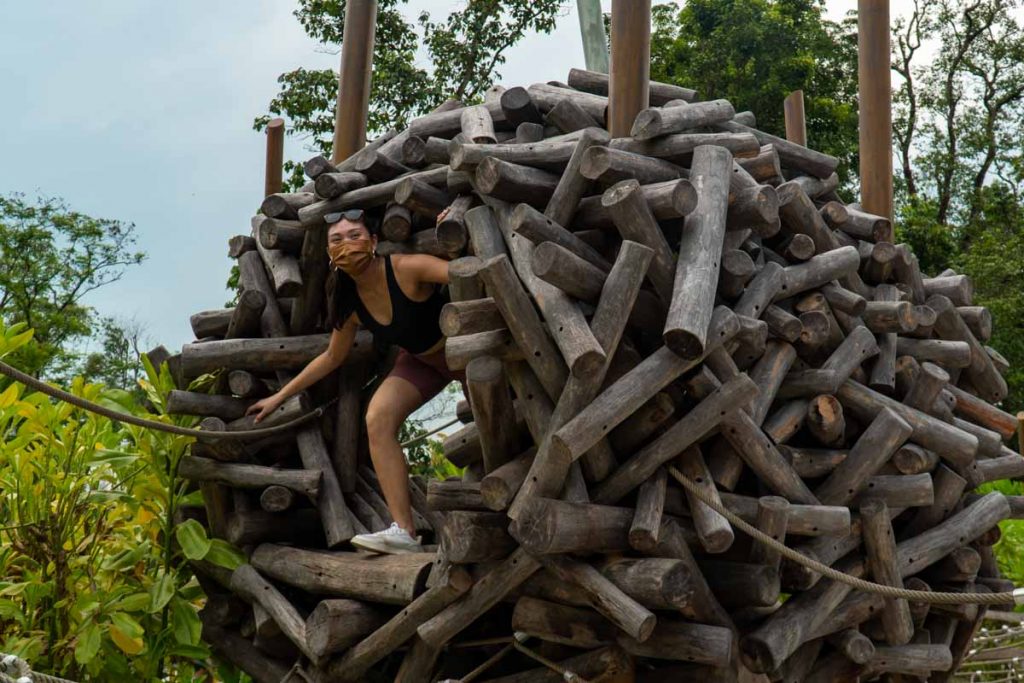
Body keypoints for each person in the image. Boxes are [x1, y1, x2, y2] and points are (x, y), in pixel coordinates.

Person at [245, 207, 462, 554]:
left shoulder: (406, 268)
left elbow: (463, 273)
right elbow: (332, 357)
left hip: (464, 356)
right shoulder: (352, 304)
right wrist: (279, 397)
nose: (347, 244)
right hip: (421, 362)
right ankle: (404, 531)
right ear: (330, 254)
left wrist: (455, 235)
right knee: (377, 418)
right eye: (337, 240)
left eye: (355, 235)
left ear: (373, 241)